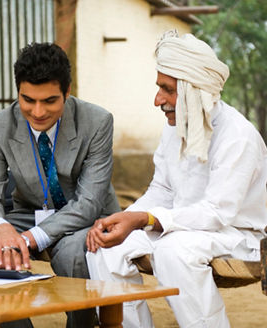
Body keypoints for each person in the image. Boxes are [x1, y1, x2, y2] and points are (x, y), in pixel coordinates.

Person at [86, 30, 267, 328]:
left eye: (167, 89)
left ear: (194, 90)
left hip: (237, 235)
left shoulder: (238, 136)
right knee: (104, 248)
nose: (158, 99)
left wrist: (145, 219)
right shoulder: (175, 126)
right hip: (180, 228)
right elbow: (162, 189)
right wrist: (124, 218)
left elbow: (217, 213)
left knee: (173, 251)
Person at [0, 42, 120, 328]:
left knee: (75, 250)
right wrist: (2, 230)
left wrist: (25, 239)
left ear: (67, 91)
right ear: (18, 93)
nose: (37, 112)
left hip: (86, 218)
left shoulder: (98, 122)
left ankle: (82, 325)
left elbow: (88, 203)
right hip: (30, 212)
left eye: (50, 101)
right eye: (28, 100)